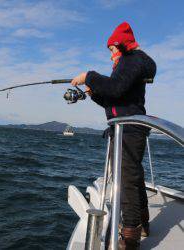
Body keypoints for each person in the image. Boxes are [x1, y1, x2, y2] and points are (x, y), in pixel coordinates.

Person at [71, 22, 157, 250]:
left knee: (127, 181)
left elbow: (115, 88)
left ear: (121, 45)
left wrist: (88, 76)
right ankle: (145, 221)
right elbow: (113, 99)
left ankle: (130, 238)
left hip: (129, 130)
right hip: (123, 129)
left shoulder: (132, 60)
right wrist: (93, 94)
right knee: (134, 176)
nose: (110, 55)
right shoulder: (127, 63)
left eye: (111, 49)